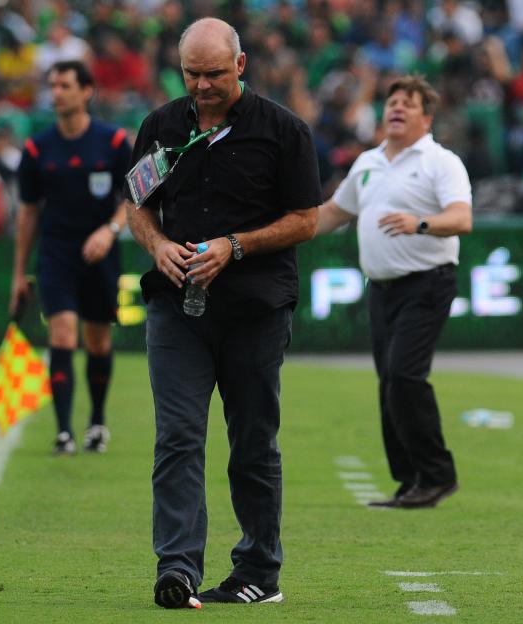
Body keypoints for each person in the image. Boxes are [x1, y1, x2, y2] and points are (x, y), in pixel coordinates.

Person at [124, 17, 320, 609]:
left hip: (255, 308)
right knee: (178, 437)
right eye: (192, 73)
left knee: (252, 443)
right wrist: (159, 246)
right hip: (176, 308)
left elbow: (306, 220)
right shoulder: (160, 126)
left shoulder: (284, 132)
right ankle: (178, 568)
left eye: (213, 73)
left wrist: (232, 247)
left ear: (240, 65)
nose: (203, 85)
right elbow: (137, 205)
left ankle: (259, 569)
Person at [317, 75, 472, 510]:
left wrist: (418, 222)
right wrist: (273, 233)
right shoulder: (368, 163)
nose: (397, 109)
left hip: (427, 280)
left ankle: (438, 475)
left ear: (428, 117)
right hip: (381, 287)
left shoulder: (440, 162)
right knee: (390, 383)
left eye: (409, 103)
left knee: (404, 376)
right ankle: (411, 480)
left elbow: (461, 218)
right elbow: (332, 213)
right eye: (392, 102)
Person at [10, 60, 131, 455]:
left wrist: (109, 230)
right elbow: (28, 212)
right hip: (56, 253)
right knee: (62, 333)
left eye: (64, 85)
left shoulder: (113, 143)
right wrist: (19, 273)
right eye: (53, 85)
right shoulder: (36, 148)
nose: (56, 92)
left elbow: (133, 201)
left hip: (100, 253)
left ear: (87, 91)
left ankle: (97, 421)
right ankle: (63, 431)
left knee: (97, 341)